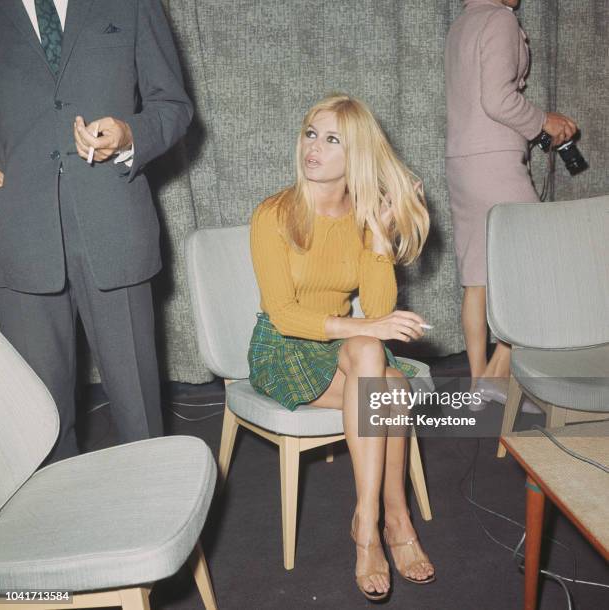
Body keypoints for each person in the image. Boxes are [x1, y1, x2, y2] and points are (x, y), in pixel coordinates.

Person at [248, 94, 434, 601]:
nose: (315, 148)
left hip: (341, 346)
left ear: (356, 154)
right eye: (312, 133)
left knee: (375, 361)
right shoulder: (273, 215)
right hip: (283, 346)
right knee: (389, 384)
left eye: (332, 140)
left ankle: (371, 522)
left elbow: (377, 308)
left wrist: (379, 239)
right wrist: (363, 329)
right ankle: (389, 520)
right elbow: (284, 314)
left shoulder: (361, 216)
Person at [0, 0, 193, 462]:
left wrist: (130, 133)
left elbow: (174, 106)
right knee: (39, 427)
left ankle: (157, 522)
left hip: (115, 232)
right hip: (20, 240)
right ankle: (61, 531)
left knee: (140, 415)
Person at [445, 0, 578, 403]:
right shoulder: (499, 18)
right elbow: (498, 100)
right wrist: (543, 121)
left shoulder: (461, 25)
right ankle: (496, 372)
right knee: (538, 262)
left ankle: (476, 381)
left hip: (461, 159)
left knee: (477, 273)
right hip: (496, 161)